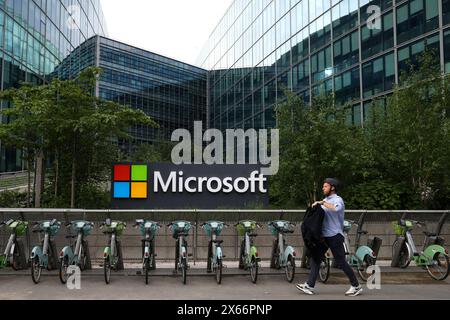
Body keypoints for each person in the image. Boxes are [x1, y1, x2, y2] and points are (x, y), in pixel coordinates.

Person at [297, 178, 363, 297]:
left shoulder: (338, 200)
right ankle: (309, 285)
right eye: (323, 186)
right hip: (324, 236)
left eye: (325, 186)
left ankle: (356, 286)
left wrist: (321, 203)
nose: (323, 188)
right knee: (316, 259)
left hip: (335, 235)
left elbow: (336, 208)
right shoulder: (326, 199)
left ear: (332, 188)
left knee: (341, 261)